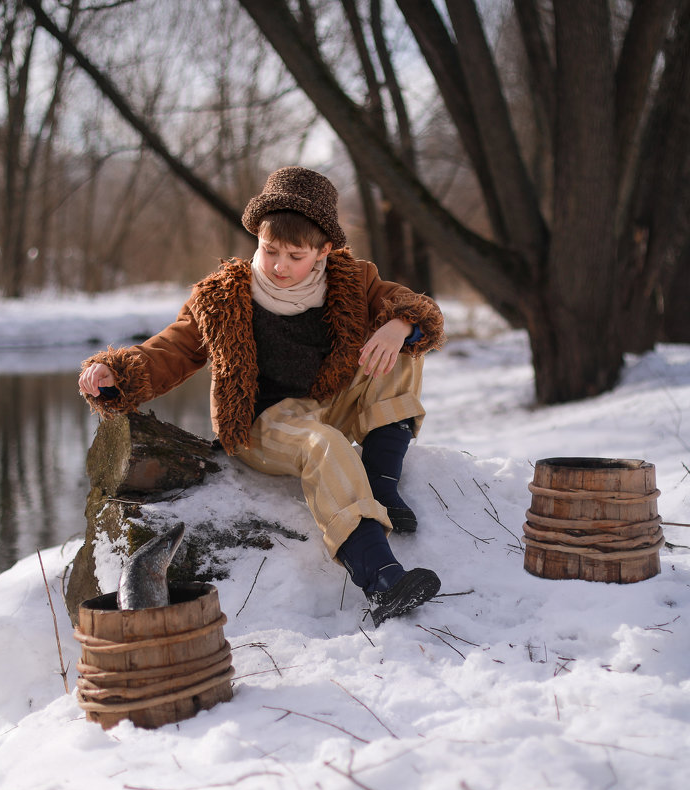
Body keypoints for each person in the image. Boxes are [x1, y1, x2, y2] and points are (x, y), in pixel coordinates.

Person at [78, 166, 445, 625]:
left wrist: (399, 324)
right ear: (257, 239)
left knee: (406, 349)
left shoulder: (354, 279)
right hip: (263, 424)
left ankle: (381, 485)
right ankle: (383, 579)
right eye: (269, 250)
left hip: (329, 400)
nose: (279, 266)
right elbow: (170, 349)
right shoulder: (223, 296)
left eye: (295, 255)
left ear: (324, 251)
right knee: (323, 445)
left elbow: (419, 310)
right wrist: (114, 371)